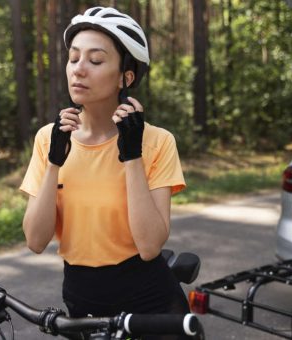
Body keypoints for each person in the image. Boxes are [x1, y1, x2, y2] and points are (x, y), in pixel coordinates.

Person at [20, 6, 190, 340]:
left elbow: (150, 245)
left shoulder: (157, 141)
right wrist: (55, 161)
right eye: (73, 58)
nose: (78, 70)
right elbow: (35, 241)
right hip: (81, 296)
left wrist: (131, 154)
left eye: (95, 61)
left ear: (125, 78)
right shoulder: (48, 138)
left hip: (149, 299)